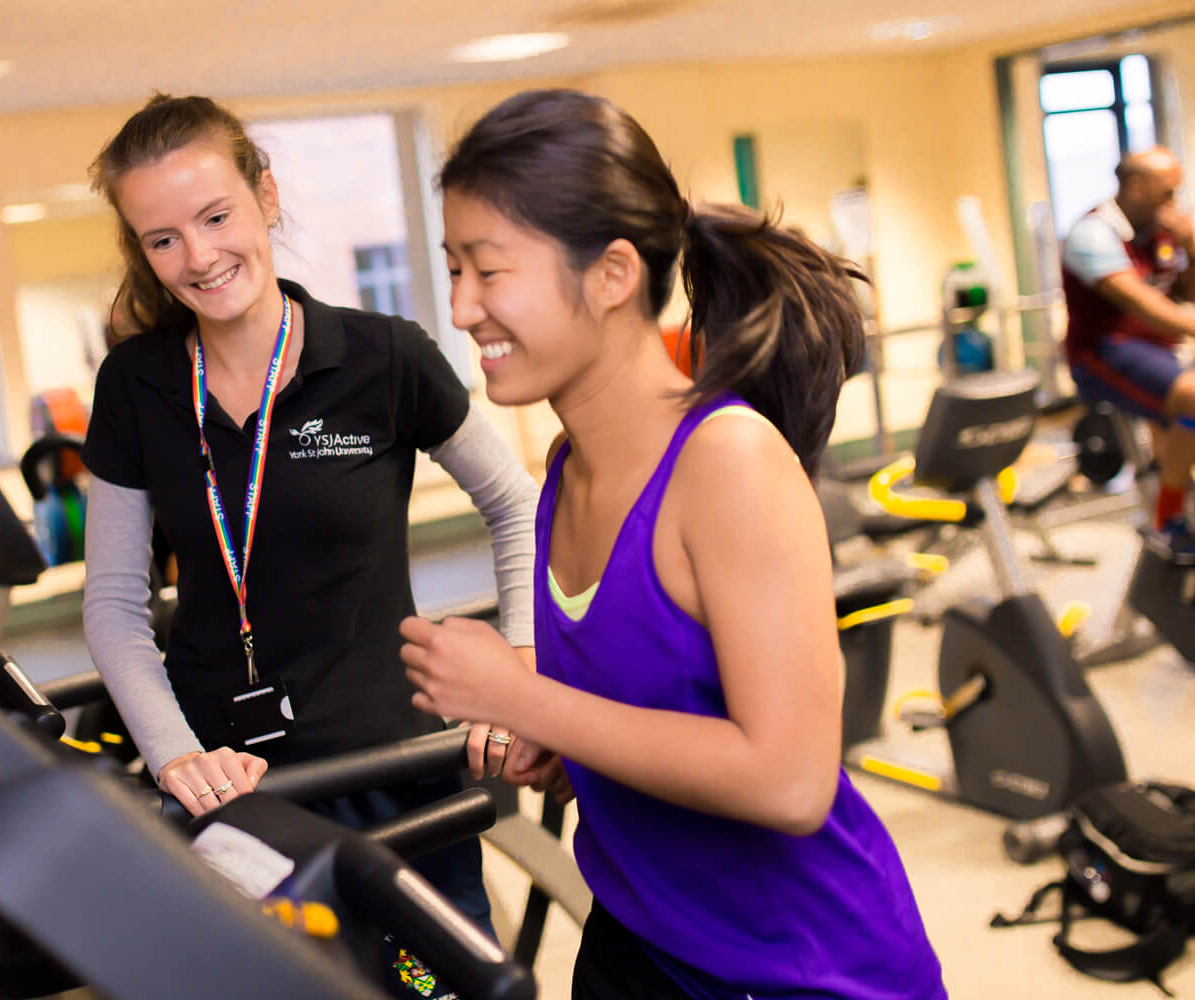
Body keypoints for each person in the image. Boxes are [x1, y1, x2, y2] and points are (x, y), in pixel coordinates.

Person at [400, 88, 945, 999]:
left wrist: (526, 700)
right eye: (452, 269)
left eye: (487, 272)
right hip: (640, 939)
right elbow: (657, 717)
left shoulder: (727, 463)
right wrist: (566, 755)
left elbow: (789, 779)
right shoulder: (567, 474)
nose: (461, 309)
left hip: (800, 969)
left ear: (613, 274)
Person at [78, 93, 540, 970]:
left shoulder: (384, 356)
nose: (199, 257)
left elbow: (517, 505)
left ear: (267, 196)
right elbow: (113, 603)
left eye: (216, 217)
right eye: (162, 238)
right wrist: (176, 757)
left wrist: (520, 669)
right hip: (232, 794)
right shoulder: (135, 385)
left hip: (391, 772)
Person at [1062, 146, 1195, 551]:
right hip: (1103, 353)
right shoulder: (1093, 233)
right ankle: (1167, 515)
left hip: (1156, 350)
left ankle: (1174, 484)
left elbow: (1187, 293)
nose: (1174, 202)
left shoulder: (1161, 233)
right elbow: (1148, 308)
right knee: (1192, 396)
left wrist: (1192, 243)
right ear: (1136, 188)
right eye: (1167, 193)